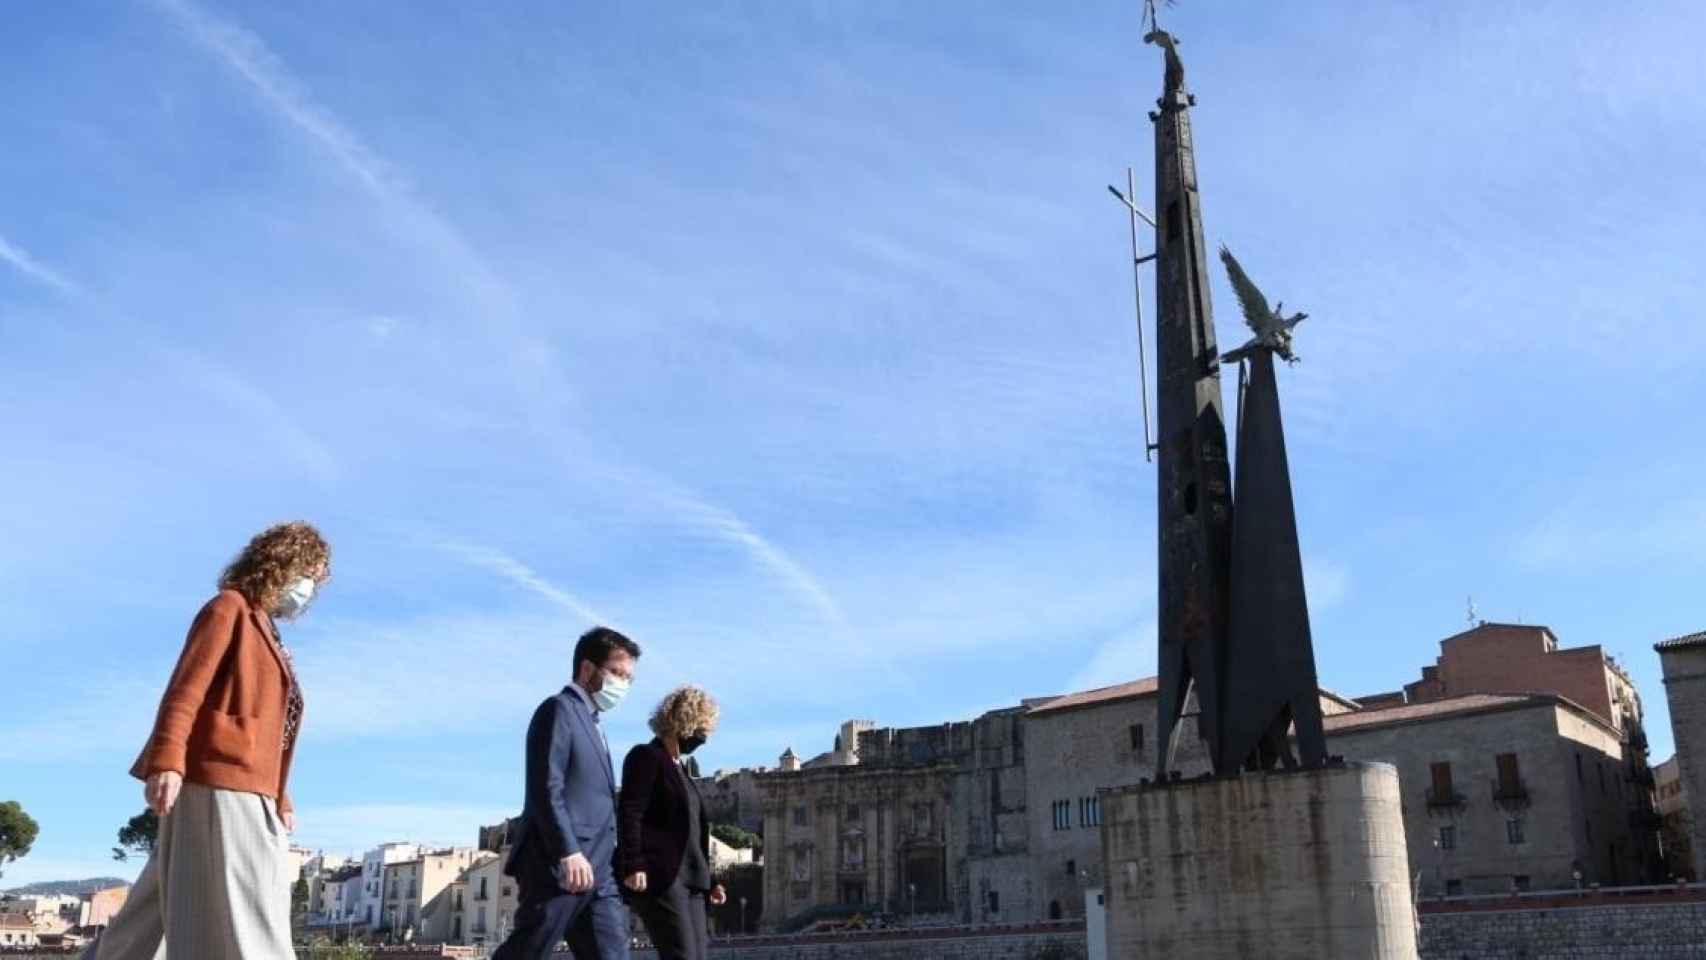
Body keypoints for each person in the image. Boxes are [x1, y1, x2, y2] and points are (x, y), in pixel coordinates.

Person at [86, 521, 330, 959]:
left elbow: (269, 727)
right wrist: (167, 759)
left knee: (149, 915)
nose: (308, 589)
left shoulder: (264, 626)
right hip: (221, 781)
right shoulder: (228, 609)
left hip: (246, 783)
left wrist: (282, 795)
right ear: (282, 561)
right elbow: (186, 687)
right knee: (250, 914)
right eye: (308, 574)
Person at [495, 627, 642, 960]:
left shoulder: (593, 723)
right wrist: (568, 851)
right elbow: (546, 785)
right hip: (560, 864)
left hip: (600, 871)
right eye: (617, 673)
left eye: (629, 678)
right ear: (587, 669)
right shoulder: (558, 710)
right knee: (529, 949)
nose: (623, 685)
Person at [618, 686, 727, 960]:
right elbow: (630, 812)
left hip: (694, 882)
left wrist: (711, 880)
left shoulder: (681, 769)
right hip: (664, 877)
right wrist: (634, 863)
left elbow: (691, 832)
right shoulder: (645, 757)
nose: (704, 737)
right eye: (702, 728)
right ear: (683, 721)